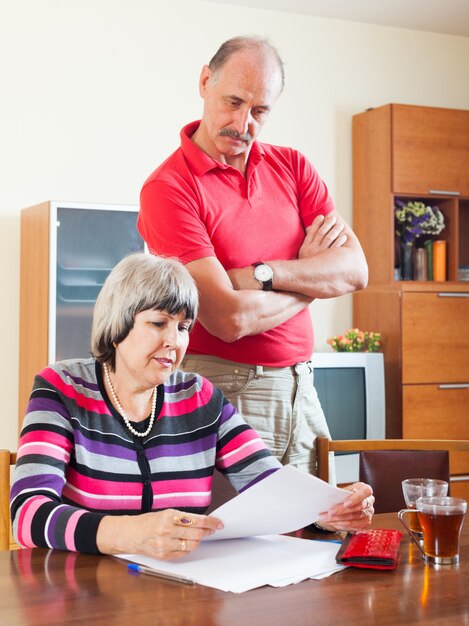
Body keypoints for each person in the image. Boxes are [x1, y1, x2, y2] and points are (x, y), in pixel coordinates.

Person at [11, 253, 374, 559]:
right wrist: (132, 534)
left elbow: (271, 486)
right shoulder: (61, 388)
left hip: (181, 590)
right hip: (83, 593)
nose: (174, 341)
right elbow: (29, 514)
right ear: (118, 323)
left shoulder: (199, 396)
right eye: (158, 323)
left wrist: (333, 510)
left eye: (184, 327)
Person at [138, 35, 368, 478]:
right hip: (228, 386)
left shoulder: (294, 167)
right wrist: (309, 284)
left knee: (318, 533)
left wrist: (262, 275)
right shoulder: (169, 189)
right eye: (233, 102)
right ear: (205, 81)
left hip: (303, 386)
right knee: (238, 539)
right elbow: (227, 319)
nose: (243, 123)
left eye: (259, 111)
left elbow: (355, 270)